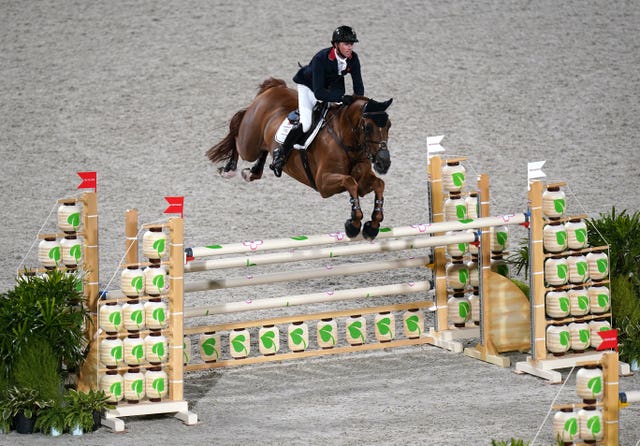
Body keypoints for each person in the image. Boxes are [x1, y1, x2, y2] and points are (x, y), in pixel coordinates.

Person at [270, 25, 365, 177]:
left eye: (351, 44)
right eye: (346, 44)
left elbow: (358, 87)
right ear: (336, 45)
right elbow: (320, 93)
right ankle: (280, 153)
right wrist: (341, 98)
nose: (350, 47)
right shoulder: (321, 58)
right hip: (309, 87)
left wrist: (356, 103)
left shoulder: (353, 59)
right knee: (306, 123)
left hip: (331, 85)